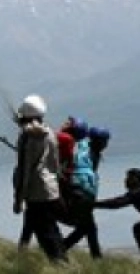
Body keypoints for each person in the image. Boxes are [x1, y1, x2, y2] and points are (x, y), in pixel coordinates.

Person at [10, 94, 66, 262]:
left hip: (36, 193)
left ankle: (61, 267)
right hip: (51, 191)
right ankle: (62, 264)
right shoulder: (49, 133)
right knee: (51, 230)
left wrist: (18, 199)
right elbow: (55, 164)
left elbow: (24, 170)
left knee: (46, 235)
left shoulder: (27, 137)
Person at [58, 118, 106, 259]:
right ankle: (60, 251)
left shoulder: (77, 145)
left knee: (88, 227)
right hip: (82, 193)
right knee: (87, 227)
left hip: (76, 191)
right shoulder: (90, 151)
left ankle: (62, 249)